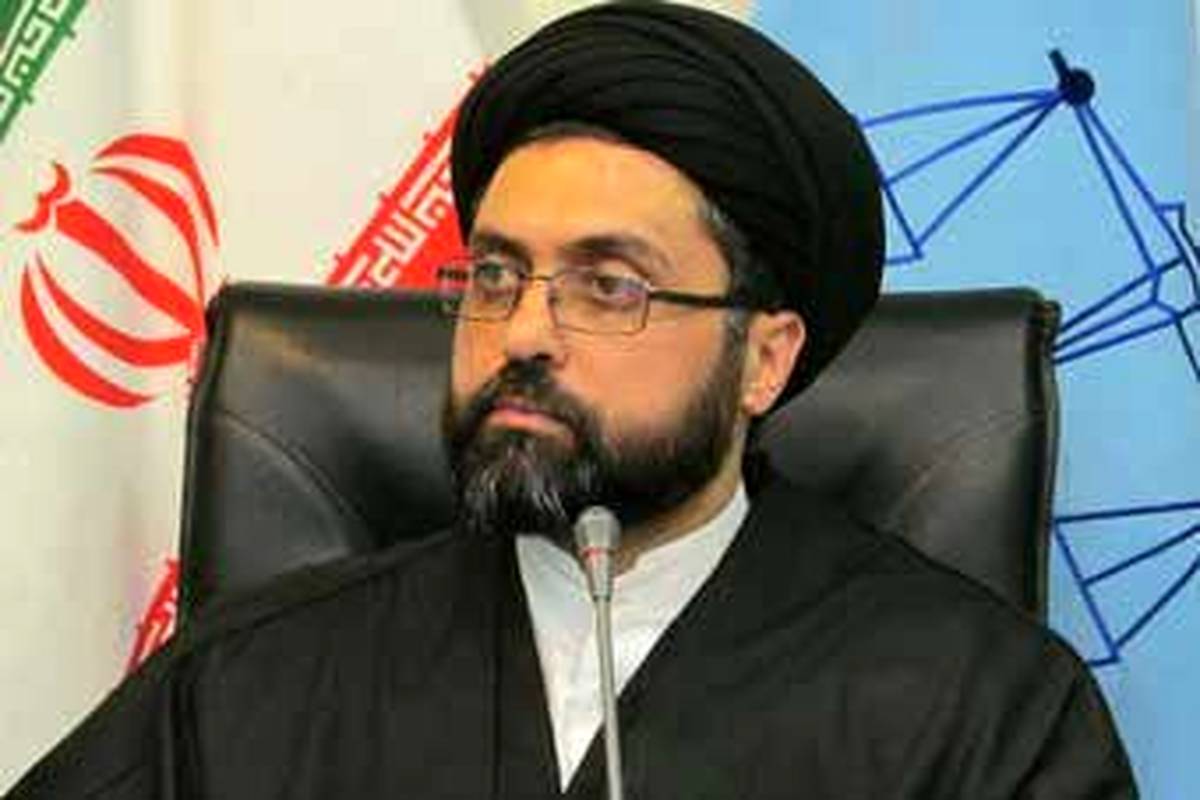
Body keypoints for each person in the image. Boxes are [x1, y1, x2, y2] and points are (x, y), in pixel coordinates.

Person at [7, 3, 1136, 798]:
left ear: (764, 358)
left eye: (608, 286)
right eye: (496, 275)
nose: (524, 332)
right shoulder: (249, 681)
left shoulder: (982, 710)